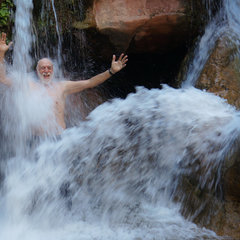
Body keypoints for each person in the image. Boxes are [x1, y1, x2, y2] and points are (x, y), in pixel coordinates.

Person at [0, 32, 128, 135]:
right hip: (36, 141)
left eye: (49, 68)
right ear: (37, 71)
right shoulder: (28, 84)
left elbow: (90, 83)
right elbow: (3, 79)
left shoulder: (62, 86)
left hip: (59, 142)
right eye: (42, 68)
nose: (46, 71)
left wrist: (111, 71)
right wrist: (1, 53)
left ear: (53, 70)